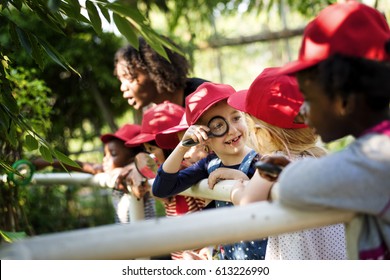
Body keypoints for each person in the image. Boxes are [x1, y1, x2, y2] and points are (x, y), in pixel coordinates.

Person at [262, 1, 390, 259]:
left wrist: (287, 172)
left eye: (308, 97)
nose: (302, 111)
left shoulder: (375, 156)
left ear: (344, 100)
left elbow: (293, 188)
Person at [228, 67, 347, 259]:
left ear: (263, 134)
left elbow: (248, 205)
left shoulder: (276, 162)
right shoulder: (325, 159)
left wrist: (237, 191)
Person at [152, 82, 268, 260]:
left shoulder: (261, 162)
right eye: (219, 126)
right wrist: (183, 146)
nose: (233, 130)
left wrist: (239, 178)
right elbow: (161, 188)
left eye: (236, 118)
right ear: (204, 137)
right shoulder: (209, 164)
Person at [126, 101, 212, 259]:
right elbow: (161, 191)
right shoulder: (164, 177)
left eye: (152, 150)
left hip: (200, 255)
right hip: (179, 254)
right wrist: (138, 170)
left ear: (172, 147)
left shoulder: (190, 169)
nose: (151, 157)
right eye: (147, 151)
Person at [114, 36, 208, 117]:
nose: (123, 87)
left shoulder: (204, 97)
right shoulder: (154, 116)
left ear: (154, 68)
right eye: (121, 80)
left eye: (129, 77)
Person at [100, 124, 156, 224]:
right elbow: (90, 167)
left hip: (144, 235)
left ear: (132, 159)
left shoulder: (142, 174)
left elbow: (148, 161)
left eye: (113, 154)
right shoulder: (116, 171)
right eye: (105, 154)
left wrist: (135, 168)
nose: (105, 159)